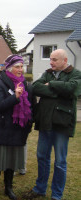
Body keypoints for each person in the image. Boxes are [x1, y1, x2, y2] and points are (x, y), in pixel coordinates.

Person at [23, 49, 81, 200]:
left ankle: (56, 195)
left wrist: (51, 85)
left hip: (61, 123)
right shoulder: (47, 72)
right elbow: (36, 87)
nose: (51, 62)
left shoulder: (75, 74)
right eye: (50, 59)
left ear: (65, 60)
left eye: (55, 59)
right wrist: (58, 91)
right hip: (45, 122)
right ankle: (40, 188)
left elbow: (72, 89)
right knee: (42, 157)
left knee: (60, 161)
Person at [0, 55, 34, 200]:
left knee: (11, 160)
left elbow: (31, 105)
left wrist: (29, 123)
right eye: (17, 67)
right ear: (9, 69)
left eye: (22, 67)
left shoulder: (25, 85)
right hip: (1, 129)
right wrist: (14, 97)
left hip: (17, 129)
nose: (21, 70)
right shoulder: (0, 84)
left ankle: (9, 187)